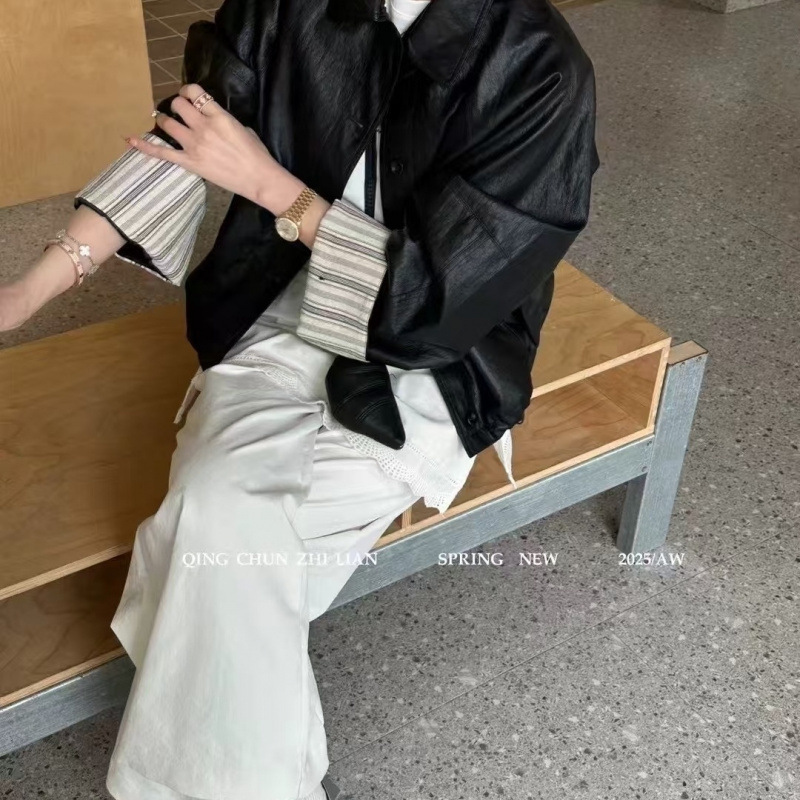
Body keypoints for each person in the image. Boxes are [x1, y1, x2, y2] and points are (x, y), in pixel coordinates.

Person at [0, 0, 599, 797]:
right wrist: (26, 294)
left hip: (441, 359)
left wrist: (268, 184)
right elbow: (186, 138)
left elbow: (442, 303)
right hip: (281, 305)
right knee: (222, 528)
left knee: (213, 551)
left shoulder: (541, 69)